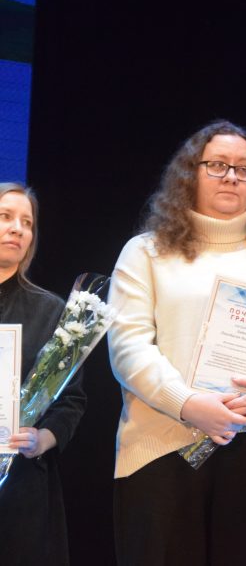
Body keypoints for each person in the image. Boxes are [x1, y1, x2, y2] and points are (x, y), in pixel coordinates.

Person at [107, 120, 246, 565]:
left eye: (244, 169)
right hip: (164, 446)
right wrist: (188, 403)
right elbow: (128, 347)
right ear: (190, 173)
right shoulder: (146, 251)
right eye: (217, 165)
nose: (231, 176)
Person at [0, 182, 87, 566]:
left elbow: (71, 401)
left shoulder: (51, 311)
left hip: (19, 487)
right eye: (5, 217)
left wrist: (41, 439)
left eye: (27, 222)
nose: (17, 228)